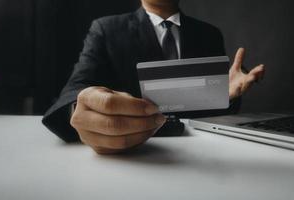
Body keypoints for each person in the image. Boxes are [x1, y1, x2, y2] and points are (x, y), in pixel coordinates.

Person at [42, 0, 265, 154]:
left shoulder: (208, 34)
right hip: (134, 154)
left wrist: (227, 96)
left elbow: (214, 113)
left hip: (202, 153)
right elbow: (76, 89)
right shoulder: (106, 29)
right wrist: (83, 109)